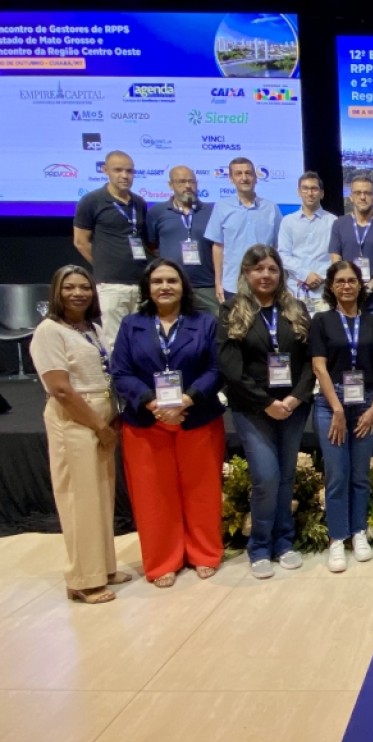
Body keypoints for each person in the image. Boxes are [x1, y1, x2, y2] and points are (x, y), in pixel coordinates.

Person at [111, 259, 225, 587]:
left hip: (197, 418)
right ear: (147, 288)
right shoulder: (131, 324)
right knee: (153, 496)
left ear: (183, 286)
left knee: (202, 490)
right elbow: (120, 372)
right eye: (157, 281)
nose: (164, 287)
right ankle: (163, 560)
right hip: (146, 423)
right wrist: (153, 403)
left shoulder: (205, 322)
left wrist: (187, 399)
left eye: (172, 281)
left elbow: (216, 369)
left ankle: (204, 553)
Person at [29, 265, 130, 603]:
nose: (78, 293)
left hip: (102, 417)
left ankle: (103, 568)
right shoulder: (49, 331)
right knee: (79, 501)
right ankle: (83, 581)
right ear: (56, 292)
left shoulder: (92, 328)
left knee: (100, 496)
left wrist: (111, 417)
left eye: (84, 287)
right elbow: (60, 389)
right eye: (69, 287)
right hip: (75, 419)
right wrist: (98, 425)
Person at [218, 245, 314, 579]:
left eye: (272, 269)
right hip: (253, 409)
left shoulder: (295, 309)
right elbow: (231, 368)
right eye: (258, 269)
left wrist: (295, 399)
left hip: (293, 408)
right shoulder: (232, 310)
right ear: (246, 273)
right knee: (266, 477)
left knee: (286, 477)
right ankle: (259, 546)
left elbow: (311, 362)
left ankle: (283, 543)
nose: (266, 275)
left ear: (280, 274)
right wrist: (266, 403)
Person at [309, 260, 373, 573]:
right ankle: (337, 537)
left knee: (360, 475)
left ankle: (359, 531)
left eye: (352, 280)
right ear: (331, 286)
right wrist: (337, 408)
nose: (346, 286)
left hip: (366, 403)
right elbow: (319, 366)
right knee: (337, 475)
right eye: (340, 281)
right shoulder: (321, 321)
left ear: (360, 284)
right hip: (332, 404)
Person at [72, 150, 149, 348]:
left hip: (140, 281)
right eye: (118, 170)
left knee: (143, 338)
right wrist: (103, 264)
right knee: (115, 341)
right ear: (105, 170)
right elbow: (80, 241)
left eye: (129, 171)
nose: (125, 175)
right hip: (111, 284)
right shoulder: (91, 201)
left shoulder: (139, 203)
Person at [205, 157, 282, 304]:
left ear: (255, 177)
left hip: (264, 282)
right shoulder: (221, 207)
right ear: (231, 179)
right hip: (232, 284)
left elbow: (279, 247)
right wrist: (218, 282)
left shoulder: (271, 208)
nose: (244, 178)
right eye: (238, 173)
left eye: (248, 173)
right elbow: (218, 247)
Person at [147, 165, 219, 315]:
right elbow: (151, 246)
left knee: (216, 324)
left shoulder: (212, 211)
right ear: (170, 185)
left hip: (207, 285)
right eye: (181, 182)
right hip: (171, 286)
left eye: (191, 181)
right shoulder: (157, 212)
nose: (187, 186)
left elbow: (219, 246)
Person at [329, 176, 373, 315]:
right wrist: (352, 287)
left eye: (367, 193)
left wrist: (368, 287)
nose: (362, 197)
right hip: (348, 301)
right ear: (351, 197)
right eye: (358, 193)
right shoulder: (339, 224)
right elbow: (336, 263)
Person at [278, 171, 337, 310]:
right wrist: (305, 275)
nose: (310, 193)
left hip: (324, 293)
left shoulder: (334, 222)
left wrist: (321, 278)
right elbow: (283, 255)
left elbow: (336, 257)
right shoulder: (288, 221)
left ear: (322, 193)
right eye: (305, 188)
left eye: (314, 189)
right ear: (299, 192)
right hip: (295, 293)